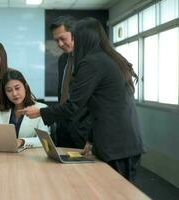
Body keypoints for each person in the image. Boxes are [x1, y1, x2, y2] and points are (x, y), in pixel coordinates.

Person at [21, 17, 144, 182]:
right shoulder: (108, 58)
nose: (72, 42)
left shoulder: (91, 62)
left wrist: (40, 112)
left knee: (117, 192)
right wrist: (92, 138)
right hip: (123, 141)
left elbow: (74, 106)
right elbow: (103, 106)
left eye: (74, 37)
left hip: (116, 144)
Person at [49, 15, 92, 149]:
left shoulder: (90, 59)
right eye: (57, 40)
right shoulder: (62, 59)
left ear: (75, 34)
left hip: (83, 128)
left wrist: (92, 136)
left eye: (63, 38)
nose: (60, 44)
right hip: (62, 124)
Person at [0, 70, 50, 148]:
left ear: (25, 87)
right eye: (9, 90)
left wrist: (22, 141)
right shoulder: (1, 110)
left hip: (29, 156)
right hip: (5, 154)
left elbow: (44, 140)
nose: (14, 94)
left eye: (17, 88)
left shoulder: (41, 108)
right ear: (5, 93)